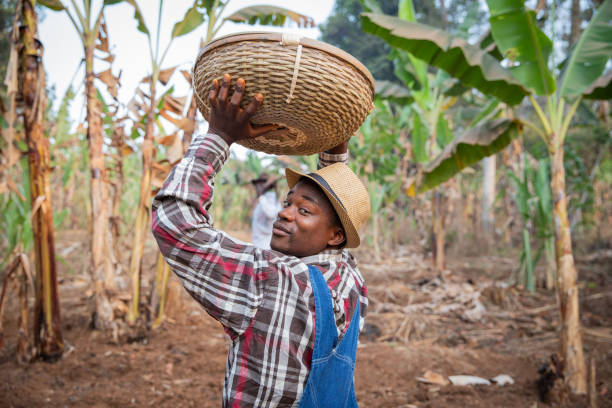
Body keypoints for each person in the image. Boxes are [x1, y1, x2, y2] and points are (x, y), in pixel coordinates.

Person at [152, 74, 370, 407]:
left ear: (335, 235)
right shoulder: (351, 280)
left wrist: (219, 136)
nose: (284, 214)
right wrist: (334, 145)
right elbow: (336, 208)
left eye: (304, 211)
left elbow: (175, 221)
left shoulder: (273, 279)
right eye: (288, 203)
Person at [250, 173, 281, 249]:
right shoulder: (263, 199)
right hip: (258, 245)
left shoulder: (270, 198)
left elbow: (272, 214)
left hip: (265, 248)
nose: (256, 187)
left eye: (259, 185)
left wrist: (261, 193)